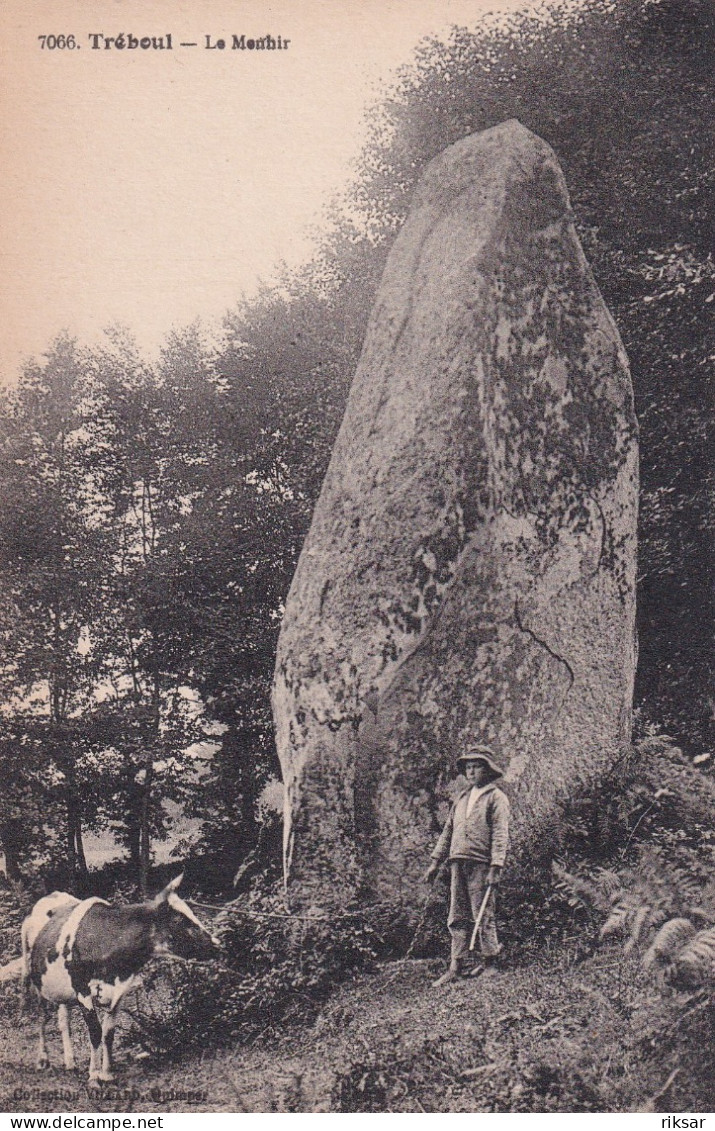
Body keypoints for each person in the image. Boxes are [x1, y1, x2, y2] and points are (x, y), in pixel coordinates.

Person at [424, 746, 509, 986]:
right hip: (456, 863)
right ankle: (457, 965)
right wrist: (434, 862)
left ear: (487, 770)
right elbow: (448, 831)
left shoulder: (495, 797)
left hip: (480, 863)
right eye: (468, 767)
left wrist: (496, 866)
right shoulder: (462, 798)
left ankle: (491, 961)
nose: (471, 772)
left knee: (482, 912)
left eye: (477, 766)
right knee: (456, 914)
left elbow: (501, 834)